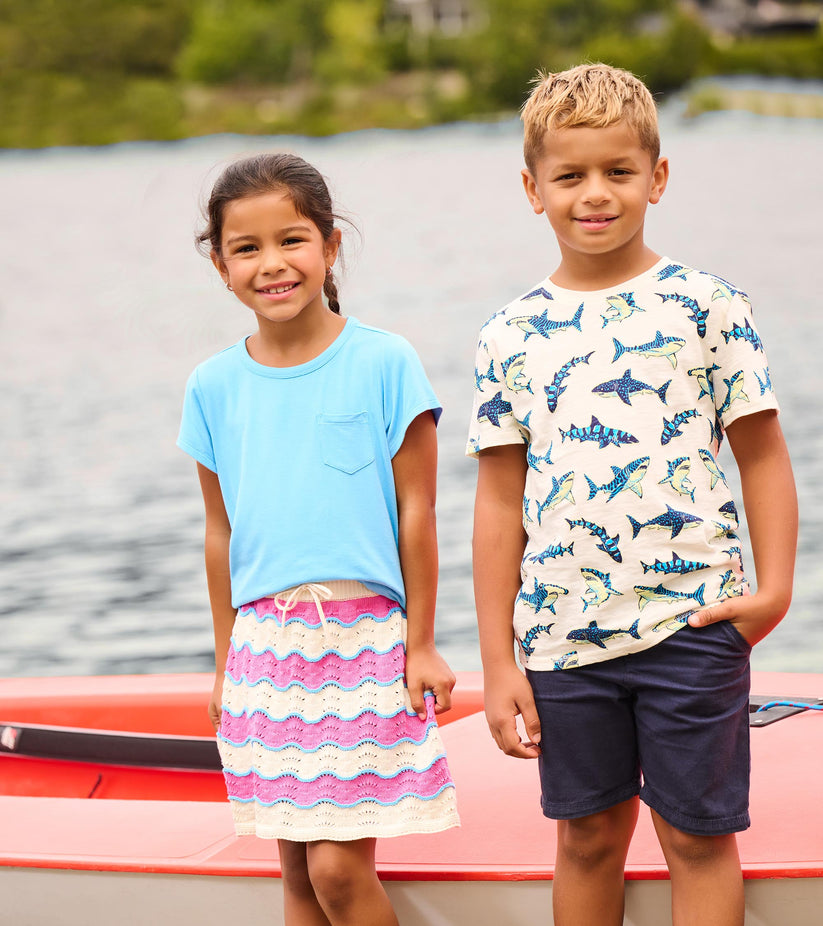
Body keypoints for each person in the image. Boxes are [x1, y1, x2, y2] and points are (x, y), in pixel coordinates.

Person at [468, 63, 797, 926]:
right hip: (560, 637)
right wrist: (498, 661)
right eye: (569, 176)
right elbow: (497, 504)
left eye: (618, 171)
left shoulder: (707, 305)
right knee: (584, 838)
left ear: (656, 176)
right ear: (532, 189)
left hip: (692, 623)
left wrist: (772, 592)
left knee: (695, 838)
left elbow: (762, 456)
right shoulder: (508, 334)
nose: (594, 194)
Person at [178, 152, 459, 926]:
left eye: (292, 240)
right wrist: (224, 661)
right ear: (221, 265)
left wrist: (421, 643)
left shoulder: (383, 361)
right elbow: (219, 532)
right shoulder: (212, 386)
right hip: (264, 650)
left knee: (337, 869)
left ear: (330, 245)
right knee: (298, 874)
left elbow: (417, 514)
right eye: (247, 248)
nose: (272, 264)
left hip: (364, 641)